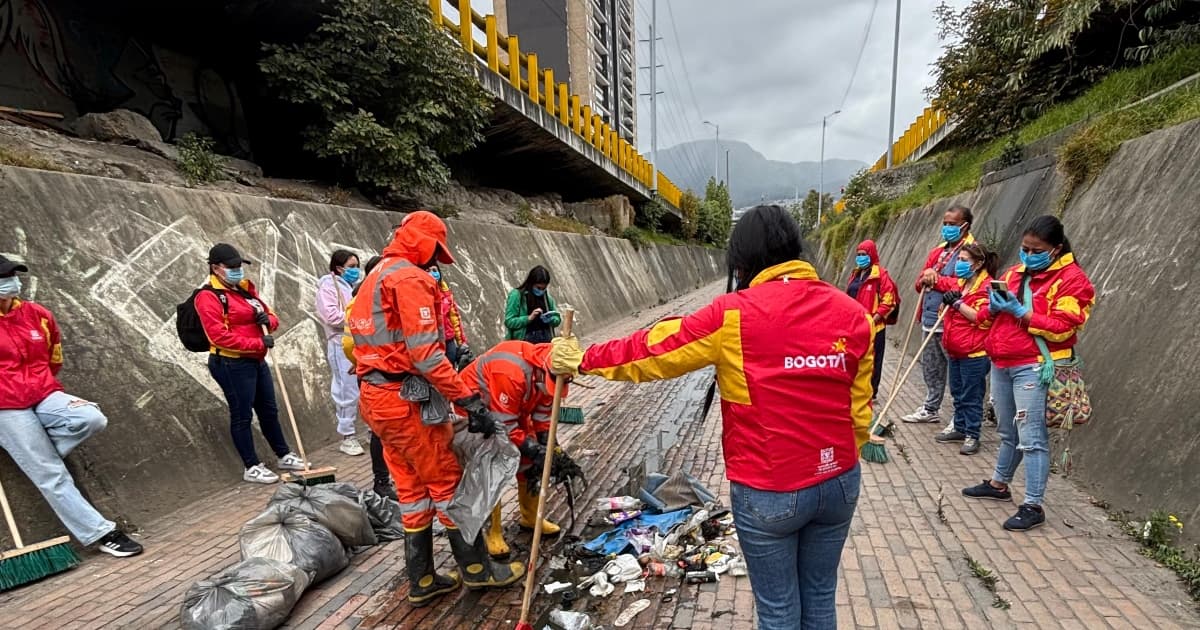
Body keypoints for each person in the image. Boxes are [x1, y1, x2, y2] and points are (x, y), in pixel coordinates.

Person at [548, 206, 874, 630]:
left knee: (778, 611)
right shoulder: (854, 314)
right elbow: (858, 411)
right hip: (839, 483)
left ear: (743, 261)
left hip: (770, 487)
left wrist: (584, 358)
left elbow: (654, 350)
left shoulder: (733, 314)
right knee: (819, 597)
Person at [348, 211, 524, 606]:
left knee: (411, 490)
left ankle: (422, 579)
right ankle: (478, 571)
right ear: (423, 242)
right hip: (405, 401)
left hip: (377, 399)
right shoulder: (410, 279)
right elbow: (426, 355)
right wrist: (468, 399)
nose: (435, 262)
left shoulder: (374, 277)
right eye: (435, 252)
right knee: (447, 483)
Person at [0, 256, 143, 557]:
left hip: (43, 391)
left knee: (90, 417)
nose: (11, 281)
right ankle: (101, 533)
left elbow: (54, 355)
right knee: (51, 474)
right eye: (4, 276)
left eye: (13, 275)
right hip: (6, 407)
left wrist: (41, 384)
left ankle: (40, 450)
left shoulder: (37, 314)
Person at [962, 216, 1094, 531]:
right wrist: (992, 309)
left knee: (1032, 438)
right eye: (1024, 248)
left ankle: (1033, 505)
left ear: (1056, 249)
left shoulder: (1072, 279)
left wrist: (1024, 314)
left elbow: (1065, 327)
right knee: (1008, 431)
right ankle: (998, 484)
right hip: (1002, 361)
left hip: (1034, 365)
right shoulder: (1014, 273)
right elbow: (986, 318)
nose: (1029, 255)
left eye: (1036, 250)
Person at [457, 341, 579, 558]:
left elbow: (543, 417)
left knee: (530, 461)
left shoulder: (552, 372)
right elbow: (505, 425)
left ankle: (530, 516)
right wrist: (532, 448)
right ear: (543, 372)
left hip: (512, 410)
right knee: (493, 466)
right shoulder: (510, 371)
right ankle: (492, 532)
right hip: (477, 412)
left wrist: (549, 446)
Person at [197, 243, 307, 484]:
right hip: (231, 363)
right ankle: (251, 465)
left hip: (256, 361)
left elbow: (271, 315)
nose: (237, 270)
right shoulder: (208, 297)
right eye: (232, 267)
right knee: (242, 414)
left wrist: (268, 320)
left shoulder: (245, 289)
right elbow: (217, 336)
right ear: (216, 268)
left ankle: (283, 454)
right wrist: (258, 344)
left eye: (239, 265)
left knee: (269, 410)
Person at [902, 205, 975, 426]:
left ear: (965, 226)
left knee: (956, 373)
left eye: (952, 224)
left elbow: (967, 285)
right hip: (929, 318)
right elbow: (919, 283)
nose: (947, 228)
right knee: (931, 367)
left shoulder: (972, 251)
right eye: (945, 224)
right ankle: (930, 407)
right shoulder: (937, 252)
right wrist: (926, 276)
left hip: (953, 322)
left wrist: (936, 279)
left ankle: (959, 415)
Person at [340, 256, 397, 501]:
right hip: (378, 375)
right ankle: (382, 481)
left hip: (391, 373)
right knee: (380, 430)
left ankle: (394, 478)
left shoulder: (388, 296)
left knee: (393, 430)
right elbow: (349, 341)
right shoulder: (363, 299)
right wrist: (362, 361)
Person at [933, 242, 998, 455]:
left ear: (978, 263)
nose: (958, 264)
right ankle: (959, 427)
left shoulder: (987, 287)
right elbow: (948, 307)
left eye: (963, 261)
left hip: (974, 352)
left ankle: (972, 434)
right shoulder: (961, 283)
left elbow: (981, 318)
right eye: (958, 260)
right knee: (958, 393)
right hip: (955, 350)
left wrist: (958, 304)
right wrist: (946, 303)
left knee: (972, 395)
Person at [316, 249, 364, 457]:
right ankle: (347, 435)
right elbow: (332, 317)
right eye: (351, 267)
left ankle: (371, 427)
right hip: (340, 343)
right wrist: (355, 317)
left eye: (357, 266)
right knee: (347, 389)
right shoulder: (328, 288)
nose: (355, 271)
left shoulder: (352, 287)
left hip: (360, 342)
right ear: (339, 268)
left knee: (365, 386)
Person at [845, 239, 899, 399]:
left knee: (874, 360)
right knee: (856, 357)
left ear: (872, 255)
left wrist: (873, 320)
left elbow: (889, 301)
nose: (861, 258)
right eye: (858, 255)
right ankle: (857, 388)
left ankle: (871, 392)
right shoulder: (855, 274)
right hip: (855, 326)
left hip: (874, 326)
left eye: (864, 255)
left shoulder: (880, 275)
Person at [503, 266, 562, 343]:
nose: (541, 291)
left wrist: (551, 319)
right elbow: (509, 321)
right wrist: (529, 318)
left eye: (544, 288)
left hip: (546, 340)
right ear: (531, 283)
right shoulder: (517, 295)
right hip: (525, 342)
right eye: (538, 288)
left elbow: (557, 319)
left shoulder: (547, 298)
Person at [430, 264, 471, 368]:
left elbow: (454, 318)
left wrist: (461, 342)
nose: (433, 273)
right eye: (428, 270)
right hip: (432, 342)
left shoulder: (446, 293)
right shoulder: (421, 293)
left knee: (450, 369)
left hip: (449, 340)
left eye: (435, 270)